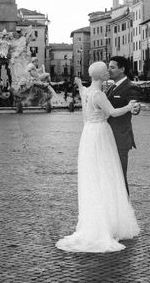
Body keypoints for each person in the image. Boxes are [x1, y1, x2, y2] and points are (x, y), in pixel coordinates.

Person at [56, 61, 140, 253]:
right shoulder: (99, 94)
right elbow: (111, 112)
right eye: (106, 70)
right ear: (101, 76)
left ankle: (98, 218)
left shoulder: (86, 92)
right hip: (101, 134)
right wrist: (128, 107)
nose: (108, 72)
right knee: (108, 175)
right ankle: (109, 221)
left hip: (88, 135)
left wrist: (78, 84)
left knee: (94, 177)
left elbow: (82, 90)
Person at [106, 56, 142, 195]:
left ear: (122, 69)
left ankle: (125, 209)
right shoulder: (111, 87)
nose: (109, 70)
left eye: (112, 67)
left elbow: (134, 104)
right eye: (108, 67)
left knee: (120, 177)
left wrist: (135, 108)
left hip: (120, 138)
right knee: (111, 176)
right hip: (109, 138)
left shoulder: (130, 87)